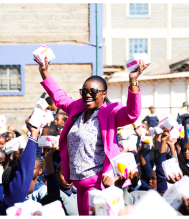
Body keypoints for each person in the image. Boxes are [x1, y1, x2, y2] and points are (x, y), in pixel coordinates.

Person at [35, 56, 148, 215]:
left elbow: (132, 114)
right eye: (84, 91)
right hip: (77, 185)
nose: (88, 95)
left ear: (104, 94)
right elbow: (60, 97)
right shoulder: (77, 109)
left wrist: (133, 82)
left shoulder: (110, 113)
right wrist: (45, 73)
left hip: (97, 186)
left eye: (93, 91)